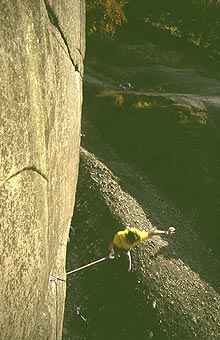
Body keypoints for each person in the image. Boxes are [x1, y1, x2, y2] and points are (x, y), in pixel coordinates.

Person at [108, 226, 176, 272]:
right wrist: (112, 252)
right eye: (129, 242)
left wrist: (165, 232)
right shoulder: (120, 235)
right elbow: (111, 244)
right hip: (118, 246)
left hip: (126, 249)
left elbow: (152, 233)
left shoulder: (139, 236)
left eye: (132, 243)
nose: (131, 244)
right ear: (126, 238)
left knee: (128, 268)